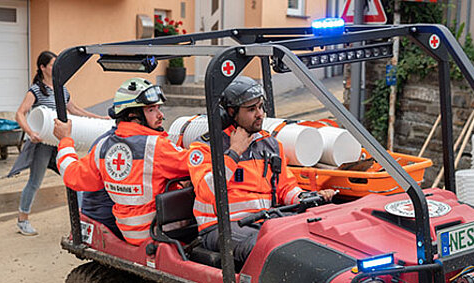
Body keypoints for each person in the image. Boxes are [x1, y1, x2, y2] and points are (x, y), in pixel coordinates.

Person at [188, 76, 335, 262]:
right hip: (220, 227)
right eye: (251, 109)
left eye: (260, 107)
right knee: (270, 249)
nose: (260, 114)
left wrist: (306, 197)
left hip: (265, 221)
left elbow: (285, 187)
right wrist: (234, 153)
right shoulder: (204, 148)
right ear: (230, 113)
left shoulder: (270, 144)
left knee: (316, 234)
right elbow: (208, 191)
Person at [53, 77, 191, 245]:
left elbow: (72, 175)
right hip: (159, 229)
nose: (160, 115)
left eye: (158, 108)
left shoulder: (103, 146)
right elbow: (196, 164)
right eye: (151, 110)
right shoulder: (155, 146)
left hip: (129, 231)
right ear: (133, 115)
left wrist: (65, 140)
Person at [13, 50, 107, 236]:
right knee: (35, 181)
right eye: (52, 65)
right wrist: (31, 132)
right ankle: (23, 220)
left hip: (60, 141)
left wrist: (99, 119)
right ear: (42, 68)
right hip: (43, 143)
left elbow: (75, 110)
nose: (56, 68)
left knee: (74, 178)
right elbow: (20, 113)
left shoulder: (61, 88)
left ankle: (81, 220)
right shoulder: (36, 90)